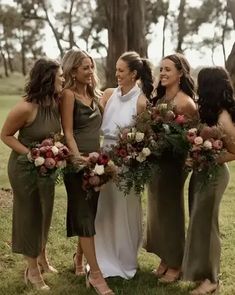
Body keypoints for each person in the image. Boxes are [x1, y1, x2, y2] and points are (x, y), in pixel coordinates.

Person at [0, 58, 64, 290]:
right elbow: (5, 135)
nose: (64, 79)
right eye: (61, 75)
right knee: (29, 215)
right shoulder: (25, 107)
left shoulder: (54, 103)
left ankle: (42, 257)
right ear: (48, 78)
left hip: (46, 168)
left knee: (45, 212)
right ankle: (33, 271)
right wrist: (31, 154)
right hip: (24, 169)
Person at [94, 51, 154, 279]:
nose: (116, 74)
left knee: (125, 210)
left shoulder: (142, 101)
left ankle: (125, 259)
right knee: (104, 209)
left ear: (134, 74)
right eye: (116, 69)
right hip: (103, 157)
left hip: (127, 162)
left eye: (121, 70)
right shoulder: (108, 94)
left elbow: (146, 138)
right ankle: (101, 257)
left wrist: (130, 155)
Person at [60, 49, 114, 295]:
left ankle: (79, 259)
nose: (90, 72)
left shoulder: (95, 94)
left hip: (97, 162)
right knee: (83, 215)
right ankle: (96, 275)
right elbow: (68, 132)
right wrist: (77, 158)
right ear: (73, 71)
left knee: (91, 214)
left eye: (92, 67)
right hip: (78, 163)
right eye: (85, 68)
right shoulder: (68, 95)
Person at [144, 53, 197, 283]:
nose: (162, 73)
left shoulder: (186, 102)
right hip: (155, 162)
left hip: (174, 165)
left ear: (180, 73)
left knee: (171, 212)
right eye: (161, 69)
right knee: (157, 212)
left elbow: (191, 138)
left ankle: (176, 263)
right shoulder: (160, 98)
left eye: (168, 69)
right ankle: (164, 258)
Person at [182, 66, 235, 294]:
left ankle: (212, 280)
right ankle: (201, 272)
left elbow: (234, 150)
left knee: (208, 225)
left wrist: (210, 158)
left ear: (209, 86)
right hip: (201, 173)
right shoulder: (208, 112)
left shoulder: (224, 116)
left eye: (200, 82)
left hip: (215, 176)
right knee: (198, 223)